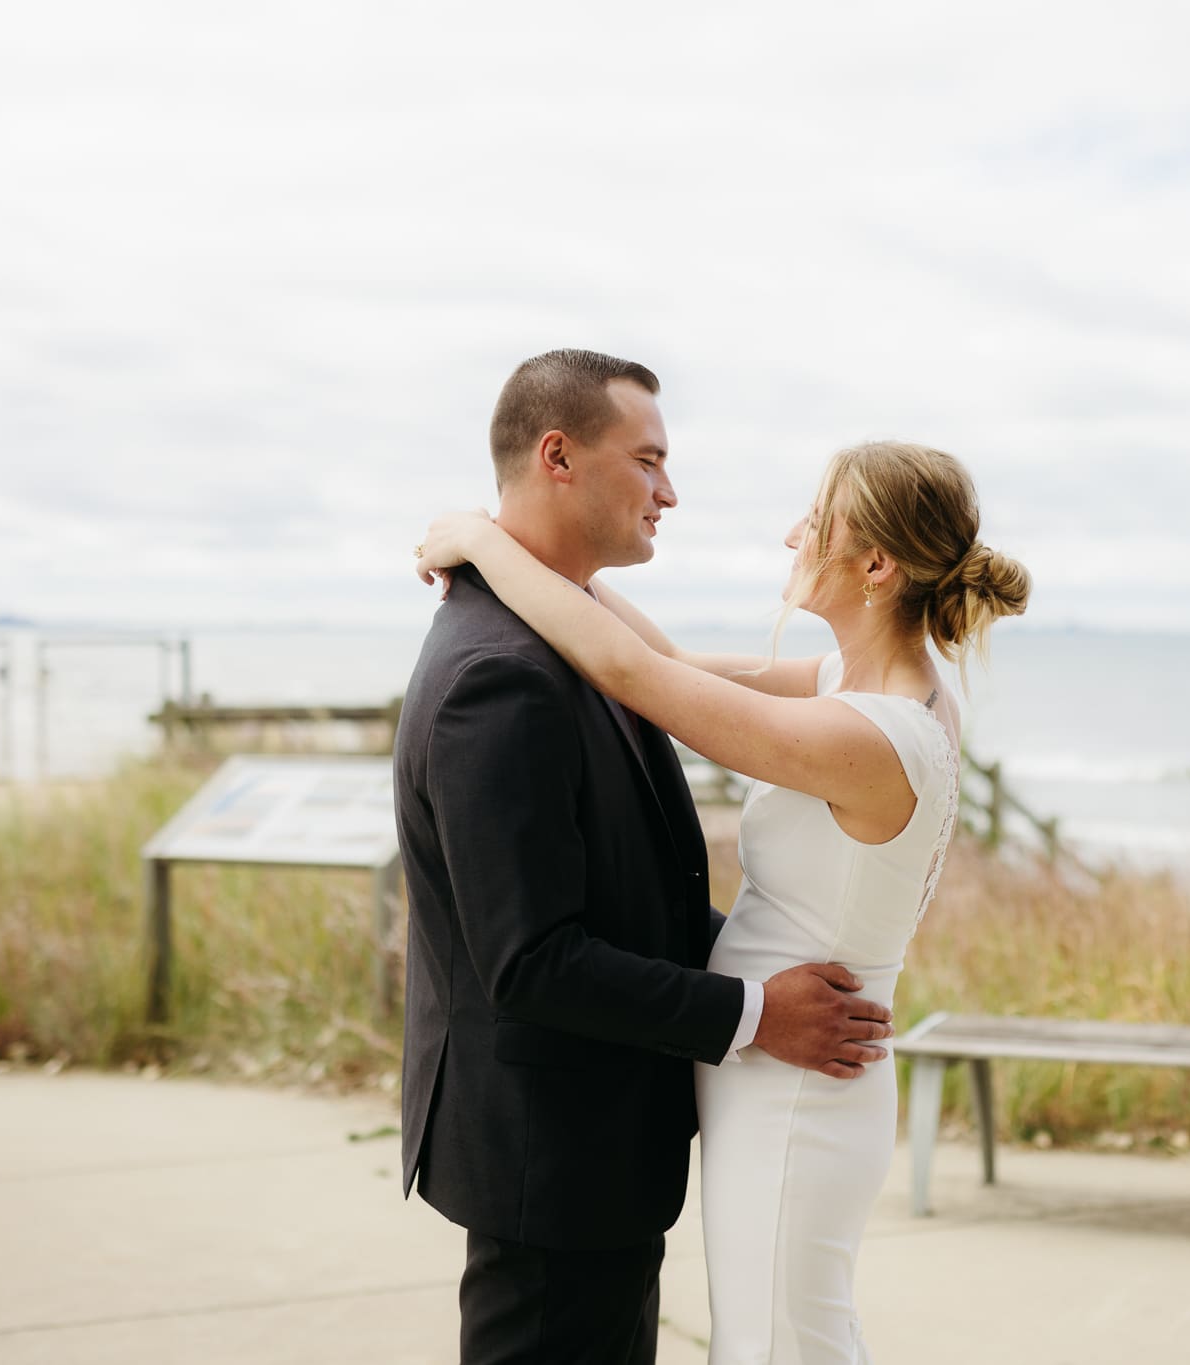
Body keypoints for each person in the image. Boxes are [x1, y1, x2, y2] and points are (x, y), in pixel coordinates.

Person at [417, 435, 1031, 1363]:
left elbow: (637, 680)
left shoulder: (870, 735)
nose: (793, 535)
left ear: (874, 563)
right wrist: (528, 547)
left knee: (779, 1344)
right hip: (784, 1077)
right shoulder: (851, 685)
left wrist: (485, 543)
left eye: (816, 522)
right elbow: (663, 653)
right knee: (779, 1334)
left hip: (798, 1094)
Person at [391, 348, 897, 1365]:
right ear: (557, 456)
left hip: (597, 1146)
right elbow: (530, 960)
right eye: (649, 460)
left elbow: (633, 893)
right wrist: (755, 1014)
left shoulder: (569, 644)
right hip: (550, 1151)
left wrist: (482, 539)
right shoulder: (503, 677)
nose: (670, 492)